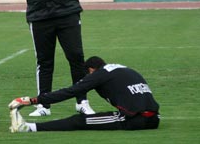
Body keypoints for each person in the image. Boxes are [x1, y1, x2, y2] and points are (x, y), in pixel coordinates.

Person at [8, 56, 160, 132]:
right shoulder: (124, 69)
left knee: (79, 120)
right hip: (154, 118)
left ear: (92, 69)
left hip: (134, 119)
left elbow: (70, 92)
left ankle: (28, 128)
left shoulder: (100, 74)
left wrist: (33, 100)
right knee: (86, 119)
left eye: (87, 74)